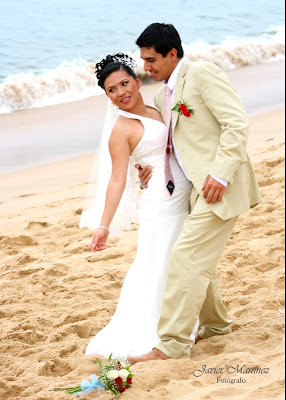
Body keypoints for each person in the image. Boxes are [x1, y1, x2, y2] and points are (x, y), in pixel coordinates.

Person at [128, 23, 261, 364]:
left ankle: (171, 345)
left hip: (221, 187)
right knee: (200, 262)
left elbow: (236, 123)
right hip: (190, 192)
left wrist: (220, 174)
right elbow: (177, 147)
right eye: (143, 61)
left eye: (152, 59)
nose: (147, 68)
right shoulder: (162, 95)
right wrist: (150, 174)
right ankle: (216, 326)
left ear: (173, 54)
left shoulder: (201, 73)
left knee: (185, 257)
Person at [81, 52, 197, 358]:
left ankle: (186, 325)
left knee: (183, 263)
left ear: (136, 80)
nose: (121, 93)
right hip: (159, 205)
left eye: (124, 83)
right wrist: (103, 225)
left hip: (186, 197)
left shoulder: (160, 106)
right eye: (112, 90)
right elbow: (118, 179)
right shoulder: (121, 130)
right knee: (157, 265)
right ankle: (159, 334)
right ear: (107, 96)